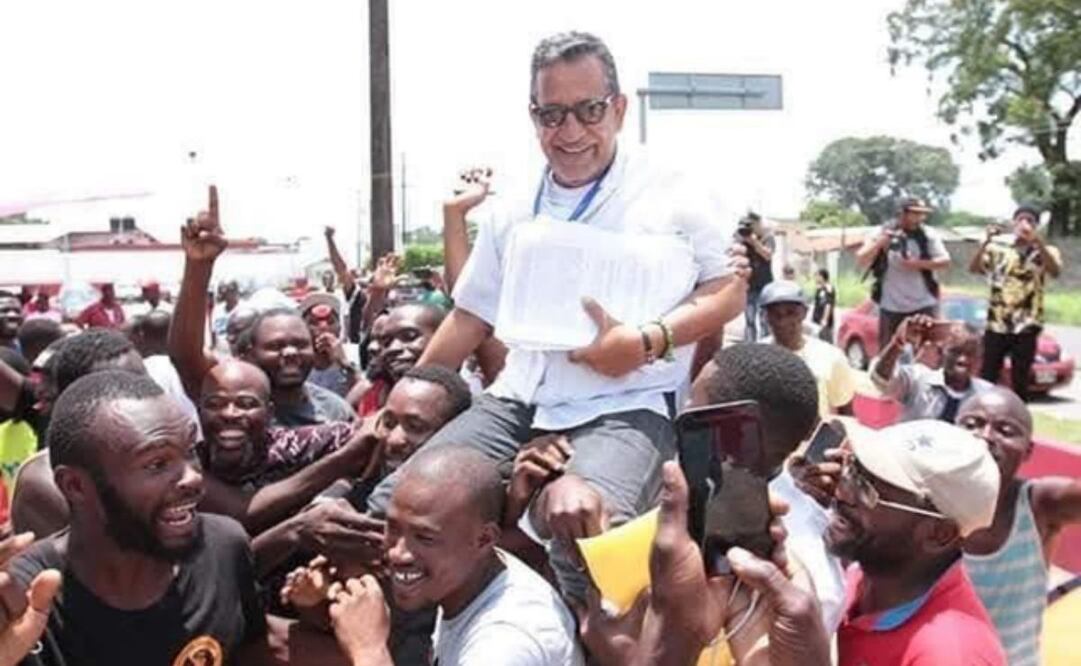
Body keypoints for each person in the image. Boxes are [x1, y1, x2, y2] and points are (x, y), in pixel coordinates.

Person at [365, 32, 744, 604]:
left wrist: (645, 341)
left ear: (618, 107)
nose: (569, 132)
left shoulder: (676, 194)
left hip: (625, 406)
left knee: (585, 534)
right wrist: (402, 401)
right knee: (394, 505)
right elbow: (470, 317)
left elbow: (726, 290)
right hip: (518, 399)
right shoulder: (512, 207)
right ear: (533, 115)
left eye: (589, 111)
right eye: (552, 115)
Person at [6, 370, 296, 665]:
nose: (193, 478)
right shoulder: (24, 600)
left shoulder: (223, 548)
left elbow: (253, 648)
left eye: (190, 451)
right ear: (76, 486)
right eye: (157, 464)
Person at [327, 446, 584, 665]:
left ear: (484, 539)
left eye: (425, 538)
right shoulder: (468, 575)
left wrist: (369, 651)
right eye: (393, 528)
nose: (397, 553)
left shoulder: (505, 642)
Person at [690, 344, 846, 633]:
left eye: (692, 410)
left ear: (730, 434)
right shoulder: (696, 491)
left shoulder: (806, 579)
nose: (682, 415)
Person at [169, 187, 354, 428]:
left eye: (300, 344)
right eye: (275, 346)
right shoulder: (230, 403)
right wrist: (199, 265)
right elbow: (185, 356)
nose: (290, 353)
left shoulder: (336, 412)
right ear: (247, 354)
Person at [827, 420, 1006, 665]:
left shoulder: (951, 655)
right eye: (852, 469)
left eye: (867, 490)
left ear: (939, 534)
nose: (841, 491)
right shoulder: (868, 573)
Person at [958, 387, 1081, 665]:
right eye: (971, 424)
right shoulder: (929, 503)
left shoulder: (1039, 505)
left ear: (1028, 451)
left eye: (1005, 429)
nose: (986, 436)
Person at [969, 204, 1062, 402]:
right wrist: (985, 243)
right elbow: (975, 268)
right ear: (1014, 223)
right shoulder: (998, 249)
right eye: (1021, 220)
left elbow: (1054, 271)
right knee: (988, 375)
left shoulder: (1046, 250)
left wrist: (1038, 243)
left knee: (1020, 377)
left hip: (1027, 324)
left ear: (1036, 226)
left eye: (1030, 221)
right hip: (997, 322)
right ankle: (982, 412)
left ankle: (1017, 416)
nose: (1025, 224)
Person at [855, 198, 950, 345]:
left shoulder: (928, 235)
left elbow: (945, 262)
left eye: (923, 214)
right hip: (891, 306)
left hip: (923, 304)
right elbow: (861, 258)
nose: (920, 218)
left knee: (927, 351)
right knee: (888, 353)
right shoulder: (882, 232)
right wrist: (881, 242)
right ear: (902, 214)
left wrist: (915, 264)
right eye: (915, 214)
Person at [870, 314, 993, 423]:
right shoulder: (918, 380)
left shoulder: (988, 396)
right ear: (941, 352)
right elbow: (880, 380)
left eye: (970, 354)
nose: (963, 360)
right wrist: (898, 342)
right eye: (955, 352)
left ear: (979, 359)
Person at [760, 280, 855, 417]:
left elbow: (845, 410)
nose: (783, 321)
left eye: (791, 313)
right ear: (766, 317)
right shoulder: (756, 357)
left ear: (804, 313)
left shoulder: (830, 357)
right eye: (776, 314)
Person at [300, 293, 360, 399]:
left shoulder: (355, 354)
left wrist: (344, 363)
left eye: (331, 321)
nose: (323, 328)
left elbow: (366, 393)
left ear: (340, 328)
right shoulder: (299, 361)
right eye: (313, 323)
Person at [739, 212, 775, 342]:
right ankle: (749, 346)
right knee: (749, 319)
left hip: (764, 284)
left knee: (764, 319)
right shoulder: (743, 239)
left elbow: (768, 255)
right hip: (749, 285)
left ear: (759, 224)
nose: (750, 228)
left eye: (752, 225)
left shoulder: (767, 237)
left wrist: (754, 242)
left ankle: (766, 346)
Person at [210, 280, 241, 352]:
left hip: (236, 349)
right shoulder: (218, 309)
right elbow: (213, 331)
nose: (229, 295)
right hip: (220, 348)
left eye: (232, 291)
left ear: (236, 292)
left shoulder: (243, 309)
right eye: (226, 292)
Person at [811, 268, 836, 342]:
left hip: (823, 323)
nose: (816, 278)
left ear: (822, 277)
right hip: (817, 320)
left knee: (825, 343)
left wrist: (824, 320)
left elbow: (828, 305)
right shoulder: (820, 288)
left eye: (817, 275)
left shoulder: (828, 288)